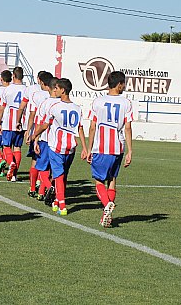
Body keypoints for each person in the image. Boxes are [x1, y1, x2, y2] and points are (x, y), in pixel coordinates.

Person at [85, 71, 134, 228]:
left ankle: (107, 205)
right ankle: (107, 215)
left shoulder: (98, 102)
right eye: (124, 83)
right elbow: (127, 128)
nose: (124, 86)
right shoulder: (126, 103)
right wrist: (130, 151)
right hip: (117, 148)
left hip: (101, 147)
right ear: (119, 85)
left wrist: (89, 148)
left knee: (99, 180)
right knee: (112, 179)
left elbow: (92, 127)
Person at [32, 78, 87, 216]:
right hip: (71, 147)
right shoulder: (77, 108)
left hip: (56, 146)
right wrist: (85, 148)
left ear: (63, 90)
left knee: (58, 175)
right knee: (63, 176)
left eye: (57, 88)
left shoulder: (55, 107)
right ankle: (57, 200)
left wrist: (34, 136)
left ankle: (62, 204)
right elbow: (80, 128)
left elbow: (45, 125)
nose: (55, 90)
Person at [19, 71, 53, 196]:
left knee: (36, 159)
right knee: (48, 164)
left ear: (41, 82)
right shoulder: (56, 97)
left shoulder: (37, 95)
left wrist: (29, 131)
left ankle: (33, 188)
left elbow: (32, 115)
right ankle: (41, 190)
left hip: (39, 132)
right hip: (53, 136)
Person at [31, 77, 60, 200]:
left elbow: (39, 122)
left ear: (49, 88)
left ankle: (48, 187)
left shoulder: (45, 104)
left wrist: (35, 138)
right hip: (58, 141)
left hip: (45, 139)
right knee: (52, 169)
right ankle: (41, 192)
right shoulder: (62, 104)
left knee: (42, 167)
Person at [0, 67, 27, 182]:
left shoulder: (8, 89)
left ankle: (11, 163)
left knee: (6, 146)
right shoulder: (26, 90)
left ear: (13, 76)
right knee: (17, 147)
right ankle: (14, 175)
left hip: (9, 122)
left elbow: (2, 107)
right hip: (21, 123)